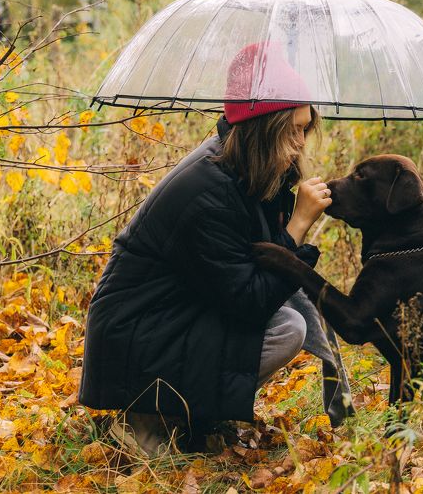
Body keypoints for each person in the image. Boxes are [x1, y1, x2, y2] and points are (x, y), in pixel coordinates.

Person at [78, 42, 335, 456]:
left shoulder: (242, 169)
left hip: (173, 316)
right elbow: (250, 301)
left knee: (289, 322)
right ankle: (144, 420)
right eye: (291, 130)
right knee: (286, 328)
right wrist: (297, 225)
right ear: (262, 130)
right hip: (137, 336)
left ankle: (188, 415)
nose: (300, 143)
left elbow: (250, 268)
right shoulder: (208, 191)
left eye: (305, 129)